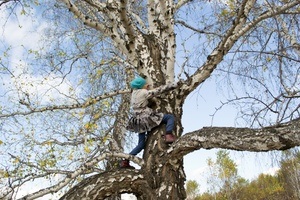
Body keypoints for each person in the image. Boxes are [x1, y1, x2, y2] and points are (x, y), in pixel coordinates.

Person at [120, 77, 177, 168]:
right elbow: (158, 91)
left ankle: (126, 160)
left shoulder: (133, 94)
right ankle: (169, 134)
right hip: (146, 118)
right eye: (145, 84)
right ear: (141, 86)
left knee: (141, 144)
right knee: (169, 117)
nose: (148, 85)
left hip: (138, 121)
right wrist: (172, 86)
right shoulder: (143, 92)